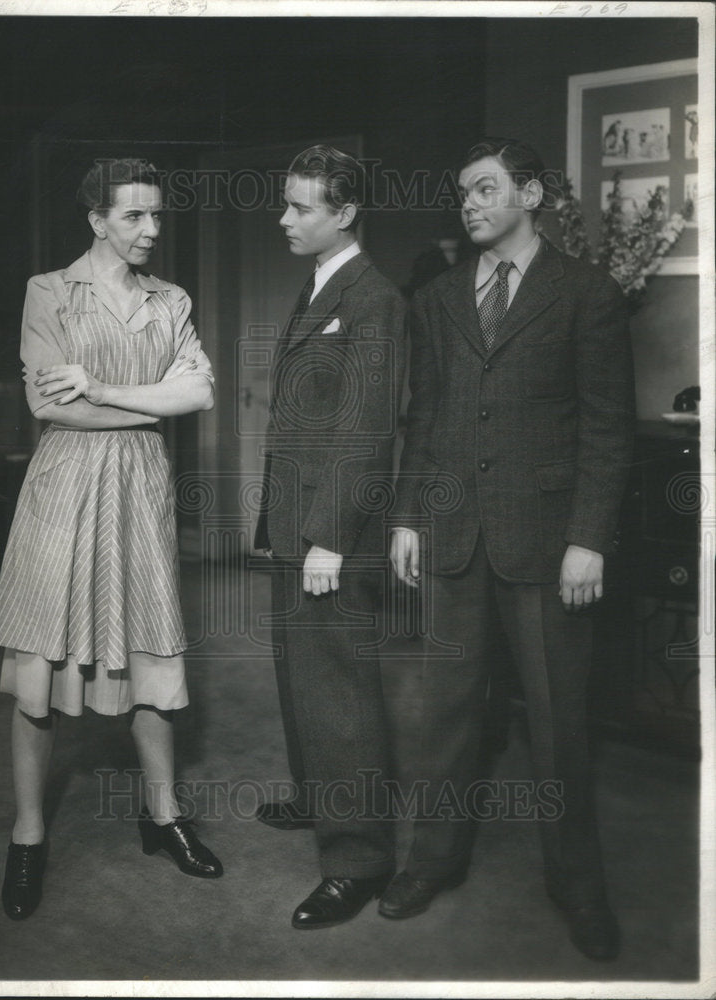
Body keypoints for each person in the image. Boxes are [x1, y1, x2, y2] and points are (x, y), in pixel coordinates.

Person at [384, 138, 634, 961]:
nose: (469, 203)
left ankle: (579, 887)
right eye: (462, 192)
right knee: (442, 720)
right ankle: (432, 862)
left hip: (545, 545)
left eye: (485, 189)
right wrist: (409, 517)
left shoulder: (585, 292)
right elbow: (426, 416)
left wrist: (586, 541)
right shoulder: (439, 295)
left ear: (529, 195)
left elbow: (605, 426)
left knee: (559, 728)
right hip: (452, 536)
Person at [0, 158, 222, 921]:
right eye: (134, 217)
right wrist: (150, 406)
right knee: (40, 665)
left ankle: (163, 816)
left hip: (140, 494)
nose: (152, 229)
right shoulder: (48, 293)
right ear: (96, 220)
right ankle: (28, 835)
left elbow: (200, 392)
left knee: (153, 653)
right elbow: (51, 409)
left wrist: (104, 388)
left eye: (157, 215)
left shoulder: (171, 299)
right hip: (62, 493)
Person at [254, 145, 406, 928]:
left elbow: (367, 427)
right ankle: (320, 799)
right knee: (300, 677)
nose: (284, 218)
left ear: (343, 213)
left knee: (338, 691)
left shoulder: (372, 297)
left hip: (328, 532)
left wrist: (329, 537)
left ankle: (357, 859)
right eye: (285, 203)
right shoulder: (322, 286)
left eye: (300, 207)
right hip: (296, 523)